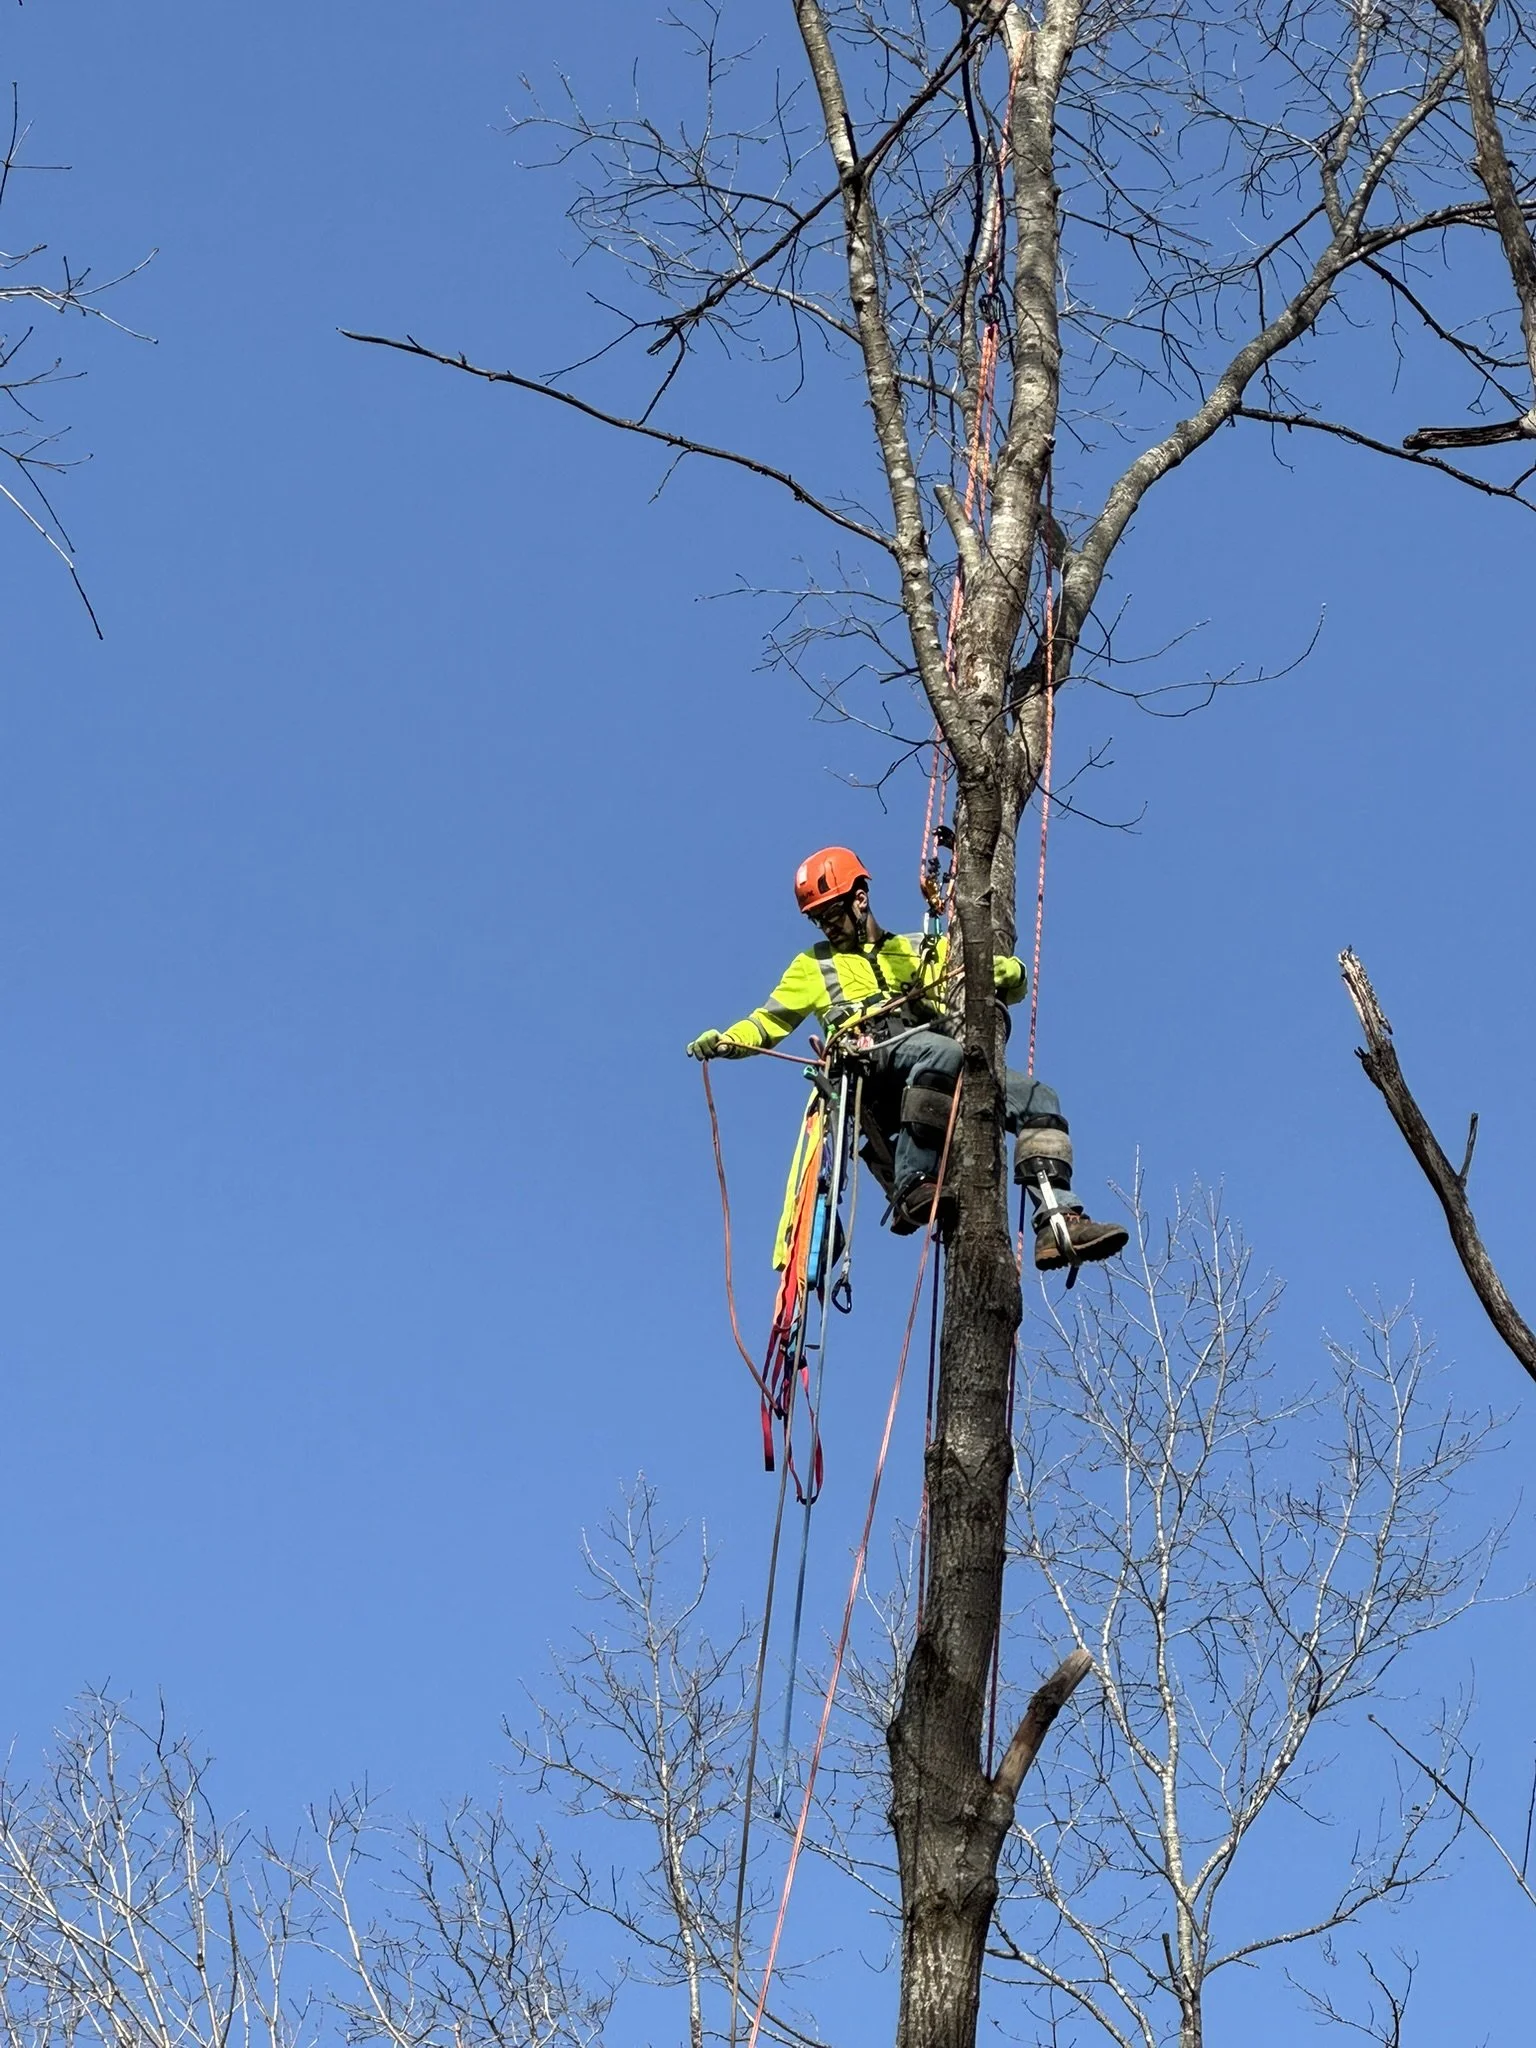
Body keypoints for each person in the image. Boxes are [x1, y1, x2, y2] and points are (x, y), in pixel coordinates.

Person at [686, 846, 1127, 1270]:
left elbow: (970, 985)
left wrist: (1011, 974)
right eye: (817, 920)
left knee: (1038, 1098)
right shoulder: (811, 966)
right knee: (944, 1052)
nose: (826, 928)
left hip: (932, 1058)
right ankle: (913, 1182)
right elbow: (769, 1022)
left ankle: (1057, 1221)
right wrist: (727, 1041)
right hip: (871, 1063)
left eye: (831, 915)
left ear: (859, 899)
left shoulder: (915, 950)